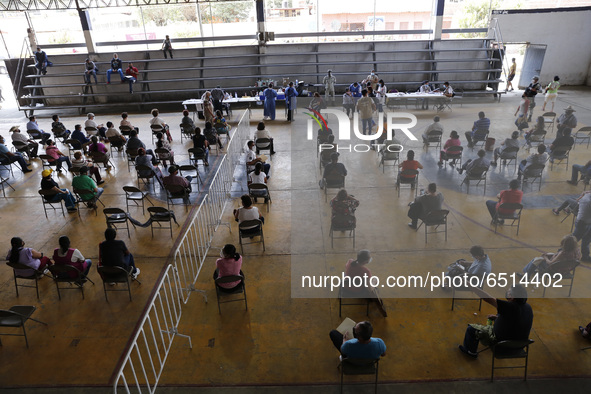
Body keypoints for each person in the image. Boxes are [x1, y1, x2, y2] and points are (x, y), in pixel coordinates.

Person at [459, 284, 533, 358]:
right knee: (498, 315)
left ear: (513, 297)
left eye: (509, 292)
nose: (507, 293)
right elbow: (516, 322)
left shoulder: (509, 306)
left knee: (471, 329)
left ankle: (471, 352)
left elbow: (487, 298)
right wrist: (497, 318)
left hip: (502, 346)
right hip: (519, 346)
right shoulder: (528, 307)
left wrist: (470, 286)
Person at [343, 250, 387, 317]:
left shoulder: (350, 261)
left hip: (345, 286)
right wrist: (374, 282)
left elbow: (346, 268)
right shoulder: (366, 271)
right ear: (365, 261)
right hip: (356, 291)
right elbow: (369, 288)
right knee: (374, 281)